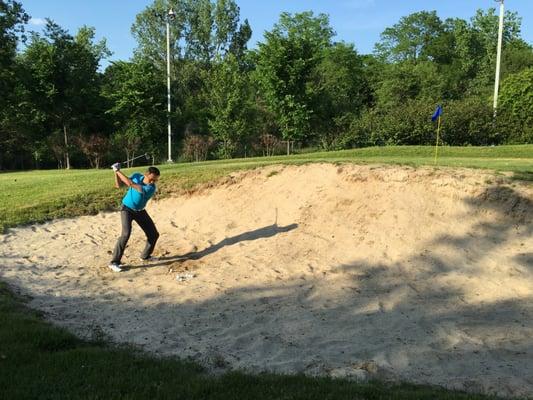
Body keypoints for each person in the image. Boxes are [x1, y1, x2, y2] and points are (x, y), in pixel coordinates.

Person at [108, 163, 161, 272]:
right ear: (146, 174)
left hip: (140, 211)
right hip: (126, 209)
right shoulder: (137, 176)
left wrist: (117, 170)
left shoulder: (151, 188)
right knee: (125, 234)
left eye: (155, 180)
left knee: (154, 234)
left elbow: (130, 183)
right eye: (152, 179)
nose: (153, 182)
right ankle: (114, 262)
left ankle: (145, 256)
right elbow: (119, 185)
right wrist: (116, 173)